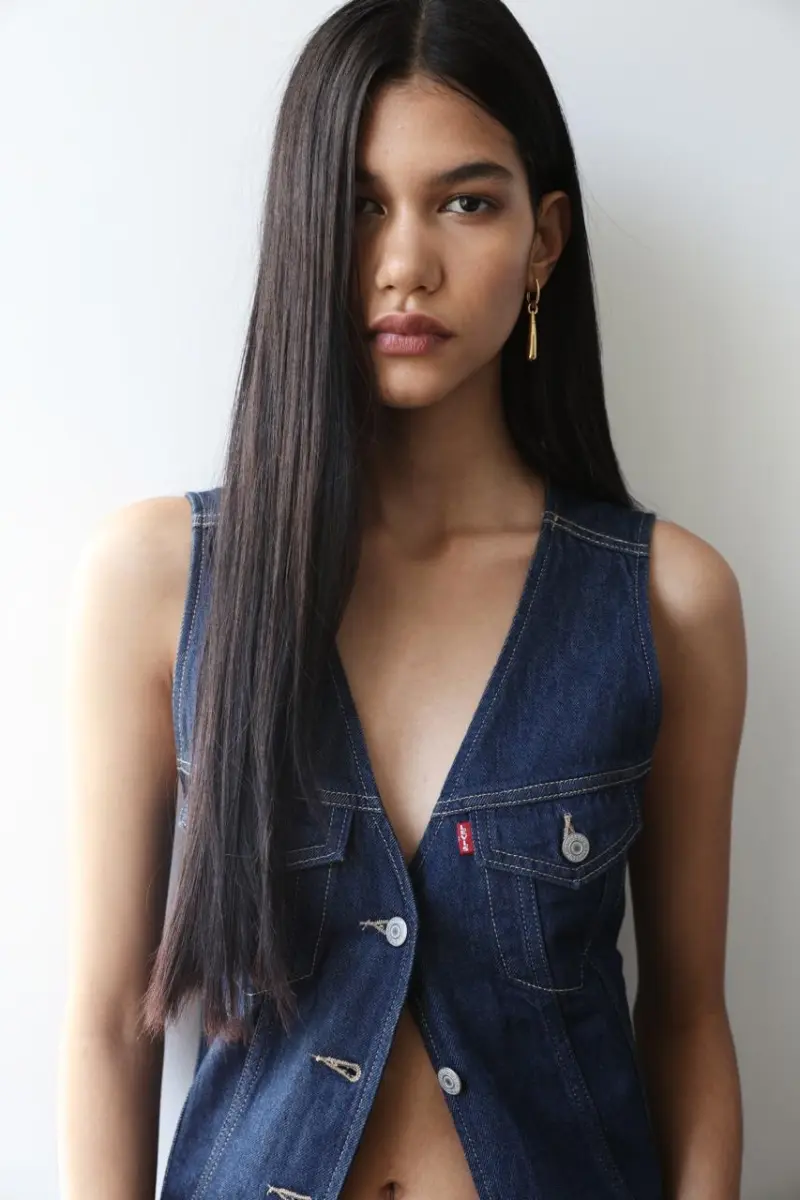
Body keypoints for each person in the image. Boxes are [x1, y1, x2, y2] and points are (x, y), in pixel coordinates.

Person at [58, 1, 746, 1197]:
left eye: (463, 203)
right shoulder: (159, 579)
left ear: (542, 241)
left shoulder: (665, 604)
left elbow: (685, 1019)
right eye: (358, 205)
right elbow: (113, 1019)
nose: (403, 265)